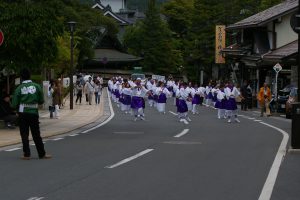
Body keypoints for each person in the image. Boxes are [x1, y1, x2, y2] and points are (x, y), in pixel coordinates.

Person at [12, 68, 51, 160]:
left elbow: (14, 104)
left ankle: (27, 154)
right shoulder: (37, 86)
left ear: (21, 77)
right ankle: (42, 154)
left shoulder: (19, 88)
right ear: (30, 76)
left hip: (22, 113)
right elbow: (41, 101)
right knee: (36, 134)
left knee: (24, 134)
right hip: (33, 113)